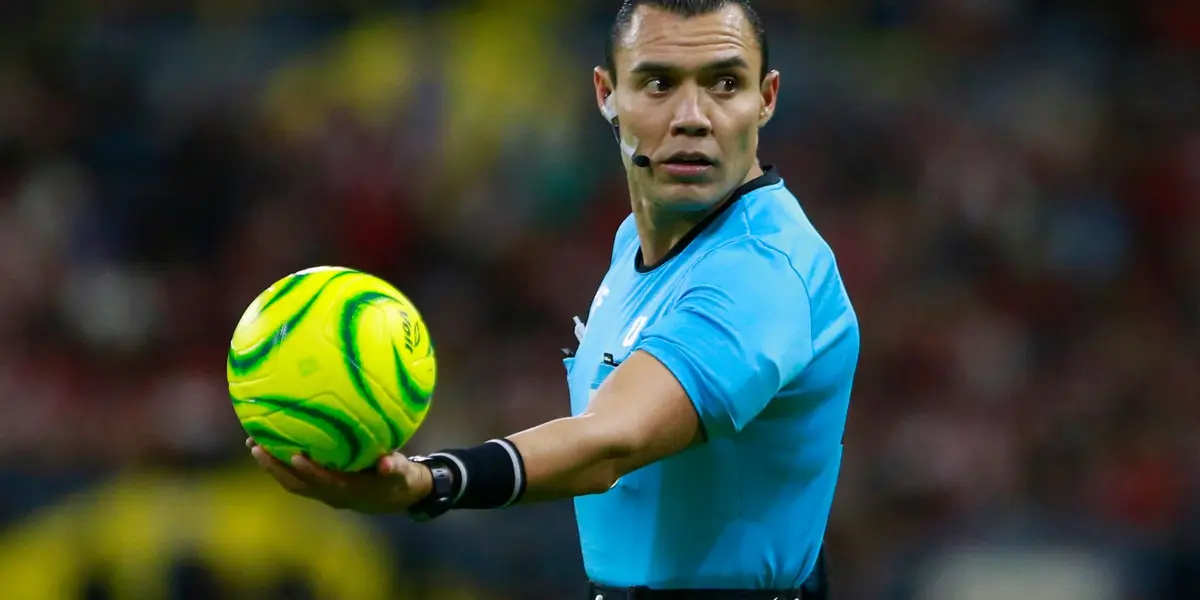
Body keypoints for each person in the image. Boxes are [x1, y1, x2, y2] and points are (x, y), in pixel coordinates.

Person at [248, 1, 859, 598]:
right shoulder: (639, 242)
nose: (693, 116)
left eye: (725, 83)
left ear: (767, 98)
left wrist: (435, 480)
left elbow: (612, 441)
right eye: (657, 84)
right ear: (606, 95)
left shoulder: (762, 271)